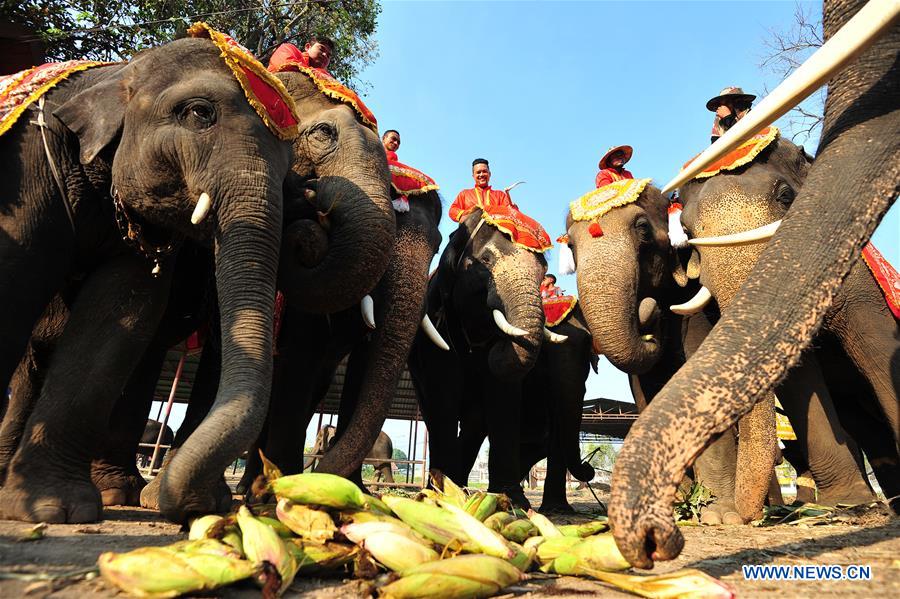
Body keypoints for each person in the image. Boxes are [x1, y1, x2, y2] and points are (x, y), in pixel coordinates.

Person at [449, 158, 518, 222]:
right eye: (478, 172)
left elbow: (511, 213)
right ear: (473, 176)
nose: (481, 175)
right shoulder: (464, 194)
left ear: (489, 174)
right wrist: (467, 214)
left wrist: (513, 208)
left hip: (495, 231)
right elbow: (452, 210)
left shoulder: (500, 195)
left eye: (484, 171)